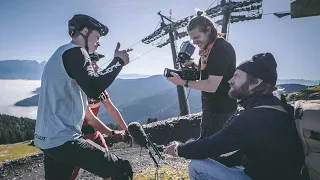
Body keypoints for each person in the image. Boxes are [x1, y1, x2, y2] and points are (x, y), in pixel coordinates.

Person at [164, 53, 305, 180]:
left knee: (197, 166)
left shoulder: (254, 116)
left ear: (255, 82)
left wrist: (178, 149)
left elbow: (211, 145)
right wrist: (221, 162)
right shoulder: (279, 108)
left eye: (237, 76)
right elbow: (248, 154)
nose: (230, 81)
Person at [34, 14, 134, 180]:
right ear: (85, 31)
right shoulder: (76, 51)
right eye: (97, 36)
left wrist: (112, 133)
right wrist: (119, 61)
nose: (99, 42)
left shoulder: (58, 55)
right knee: (121, 169)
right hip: (64, 140)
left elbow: (88, 115)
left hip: (47, 141)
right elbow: (93, 87)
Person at [167, 9, 237, 139]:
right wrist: (194, 64)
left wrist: (183, 82)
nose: (194, 42)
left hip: (220, 108)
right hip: (213, 106)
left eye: (196, 37)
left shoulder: (220, 50)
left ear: (209, 30)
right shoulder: (209, 48)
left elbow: (211, 85)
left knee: (209, 146)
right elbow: (212, 71)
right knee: (211, 143)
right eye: (191, 38)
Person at [70, 52, 131, 180]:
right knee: (71, 175)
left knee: (109, 168)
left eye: (96, 64)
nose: (97, 67)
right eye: (93, 65)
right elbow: (91, 119)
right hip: (77, 138)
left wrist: (127, 129)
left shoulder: (99, 90)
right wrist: (113, 133)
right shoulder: (79, 91)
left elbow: (111, 109)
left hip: (95, 134)